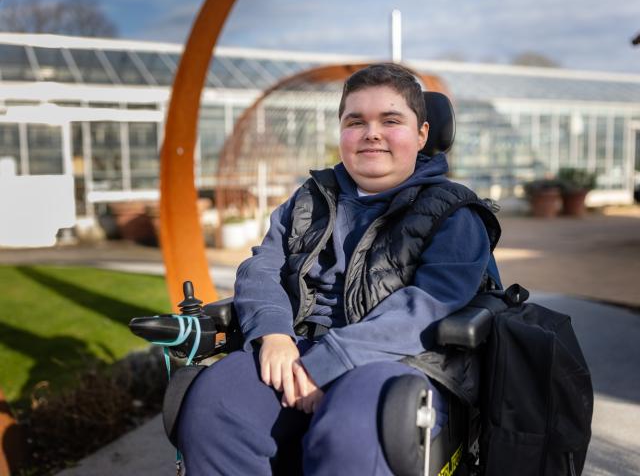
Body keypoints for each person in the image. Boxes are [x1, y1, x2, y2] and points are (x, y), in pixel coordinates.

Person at [177, 63, 500, 475]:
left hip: (401, 359)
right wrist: (273, 334)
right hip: (299, 346)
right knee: (215, 404)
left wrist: (328, 362)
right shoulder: (309, 200)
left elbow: (425, 309)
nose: (372, 133)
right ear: (341, 133)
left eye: (391, 120)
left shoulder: (455, 212)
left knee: (352, 429)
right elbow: (261, 270)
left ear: (422, 134)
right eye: (355, 121)